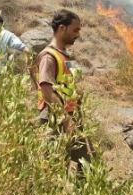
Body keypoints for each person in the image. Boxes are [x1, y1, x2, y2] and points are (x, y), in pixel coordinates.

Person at [35, 9, 93, 176]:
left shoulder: (65, 56)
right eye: (75, 30)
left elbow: (69, 86)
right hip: (56, 119)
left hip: (71, 116)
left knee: (87, 164)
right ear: (62, 28)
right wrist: (65, 119)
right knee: (55, 167)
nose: (78, 34)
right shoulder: (48, 56)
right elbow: (46, 89)